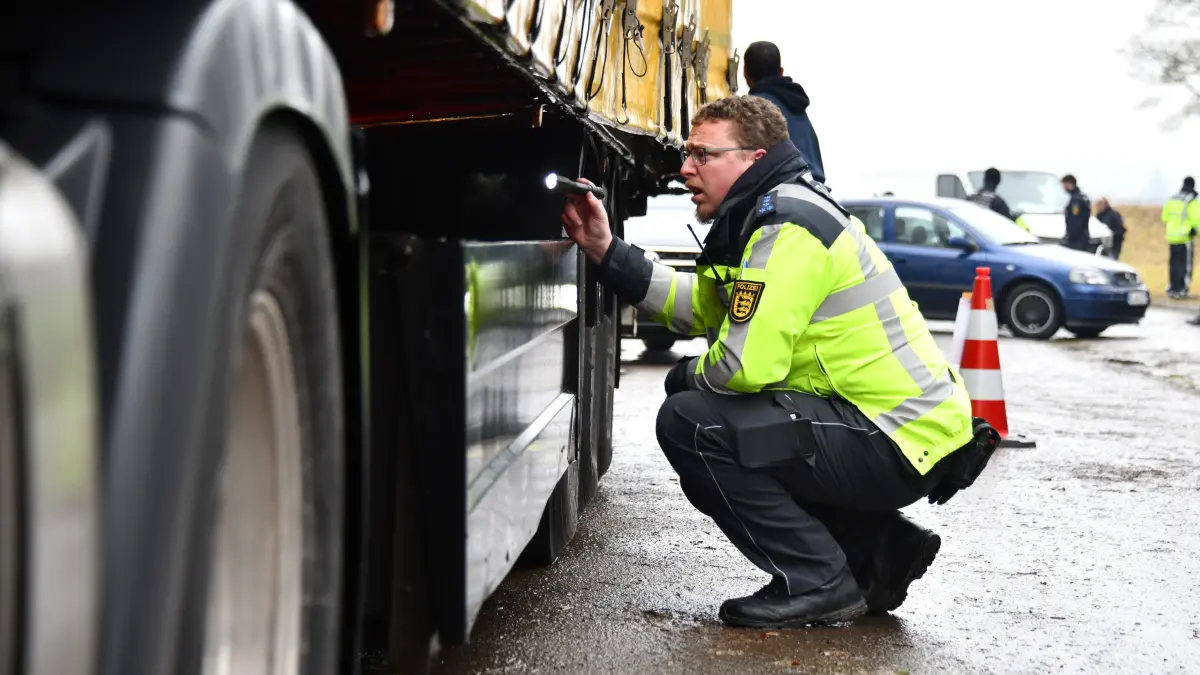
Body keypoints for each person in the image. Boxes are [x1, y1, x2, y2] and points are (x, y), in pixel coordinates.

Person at [559, 95, 999, 628]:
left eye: (702, 154)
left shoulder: (787, 226)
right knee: (722, 419)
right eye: (688, 152)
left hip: (893, 436)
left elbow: (746, 367)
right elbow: (700, 307)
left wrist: (686, 374)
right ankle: (879, 549)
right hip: (895, 430)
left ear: (752, 157)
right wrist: (607, 251)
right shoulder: (763, 215)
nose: (685, 167)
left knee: (693, 421)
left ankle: (818, 578)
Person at [743, 41, 826, 185]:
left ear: (745, 71)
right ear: (781, 71)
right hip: (817, 192)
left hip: (785, 194)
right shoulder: (797, 105)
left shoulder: (750, 109)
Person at [1163, 177, 1199, 299]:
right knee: (1185, 266)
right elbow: (1196, 220)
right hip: (1185, 238)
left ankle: (1173, 288)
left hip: (1172, 237)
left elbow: (1165, 217)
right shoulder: (1190, 201)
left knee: (1174, 264)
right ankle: (1182, 289)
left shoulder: (1172, 199)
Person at [1061, 174, 1091, 251]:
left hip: (1076, 240)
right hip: (1081, 237)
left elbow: (1075, 221)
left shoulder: (1076, 200)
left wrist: (1069, 238)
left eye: (1064, 185)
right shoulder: (1080, 196)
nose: (1063, 187)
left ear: (1069, 184)